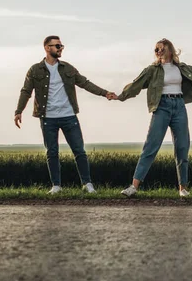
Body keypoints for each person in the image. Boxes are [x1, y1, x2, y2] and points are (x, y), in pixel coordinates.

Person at [114, 38, 192, 197]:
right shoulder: (152, 70)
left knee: (182, 147)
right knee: (151, 146)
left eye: (161, 48)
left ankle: (183, 189)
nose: (158, 52)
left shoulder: (181, 68)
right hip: (161, 107)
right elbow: (136, 84)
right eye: (156, 49)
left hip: (179, 107)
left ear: (170, 50)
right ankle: (133, 187)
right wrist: (120, 96)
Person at [14, 35, 117, 194]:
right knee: (52, 152)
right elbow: (26, 91)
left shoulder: (68, 68)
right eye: (57, 46)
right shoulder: (35, 70)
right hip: (48, 118)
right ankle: (56, 186)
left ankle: (87, 184)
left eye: (61, 46)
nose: (60, 48)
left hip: (69, 116)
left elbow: (85, 83)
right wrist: (19, 111)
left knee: (79, 151)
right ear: (47, 48)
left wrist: (105, 93)